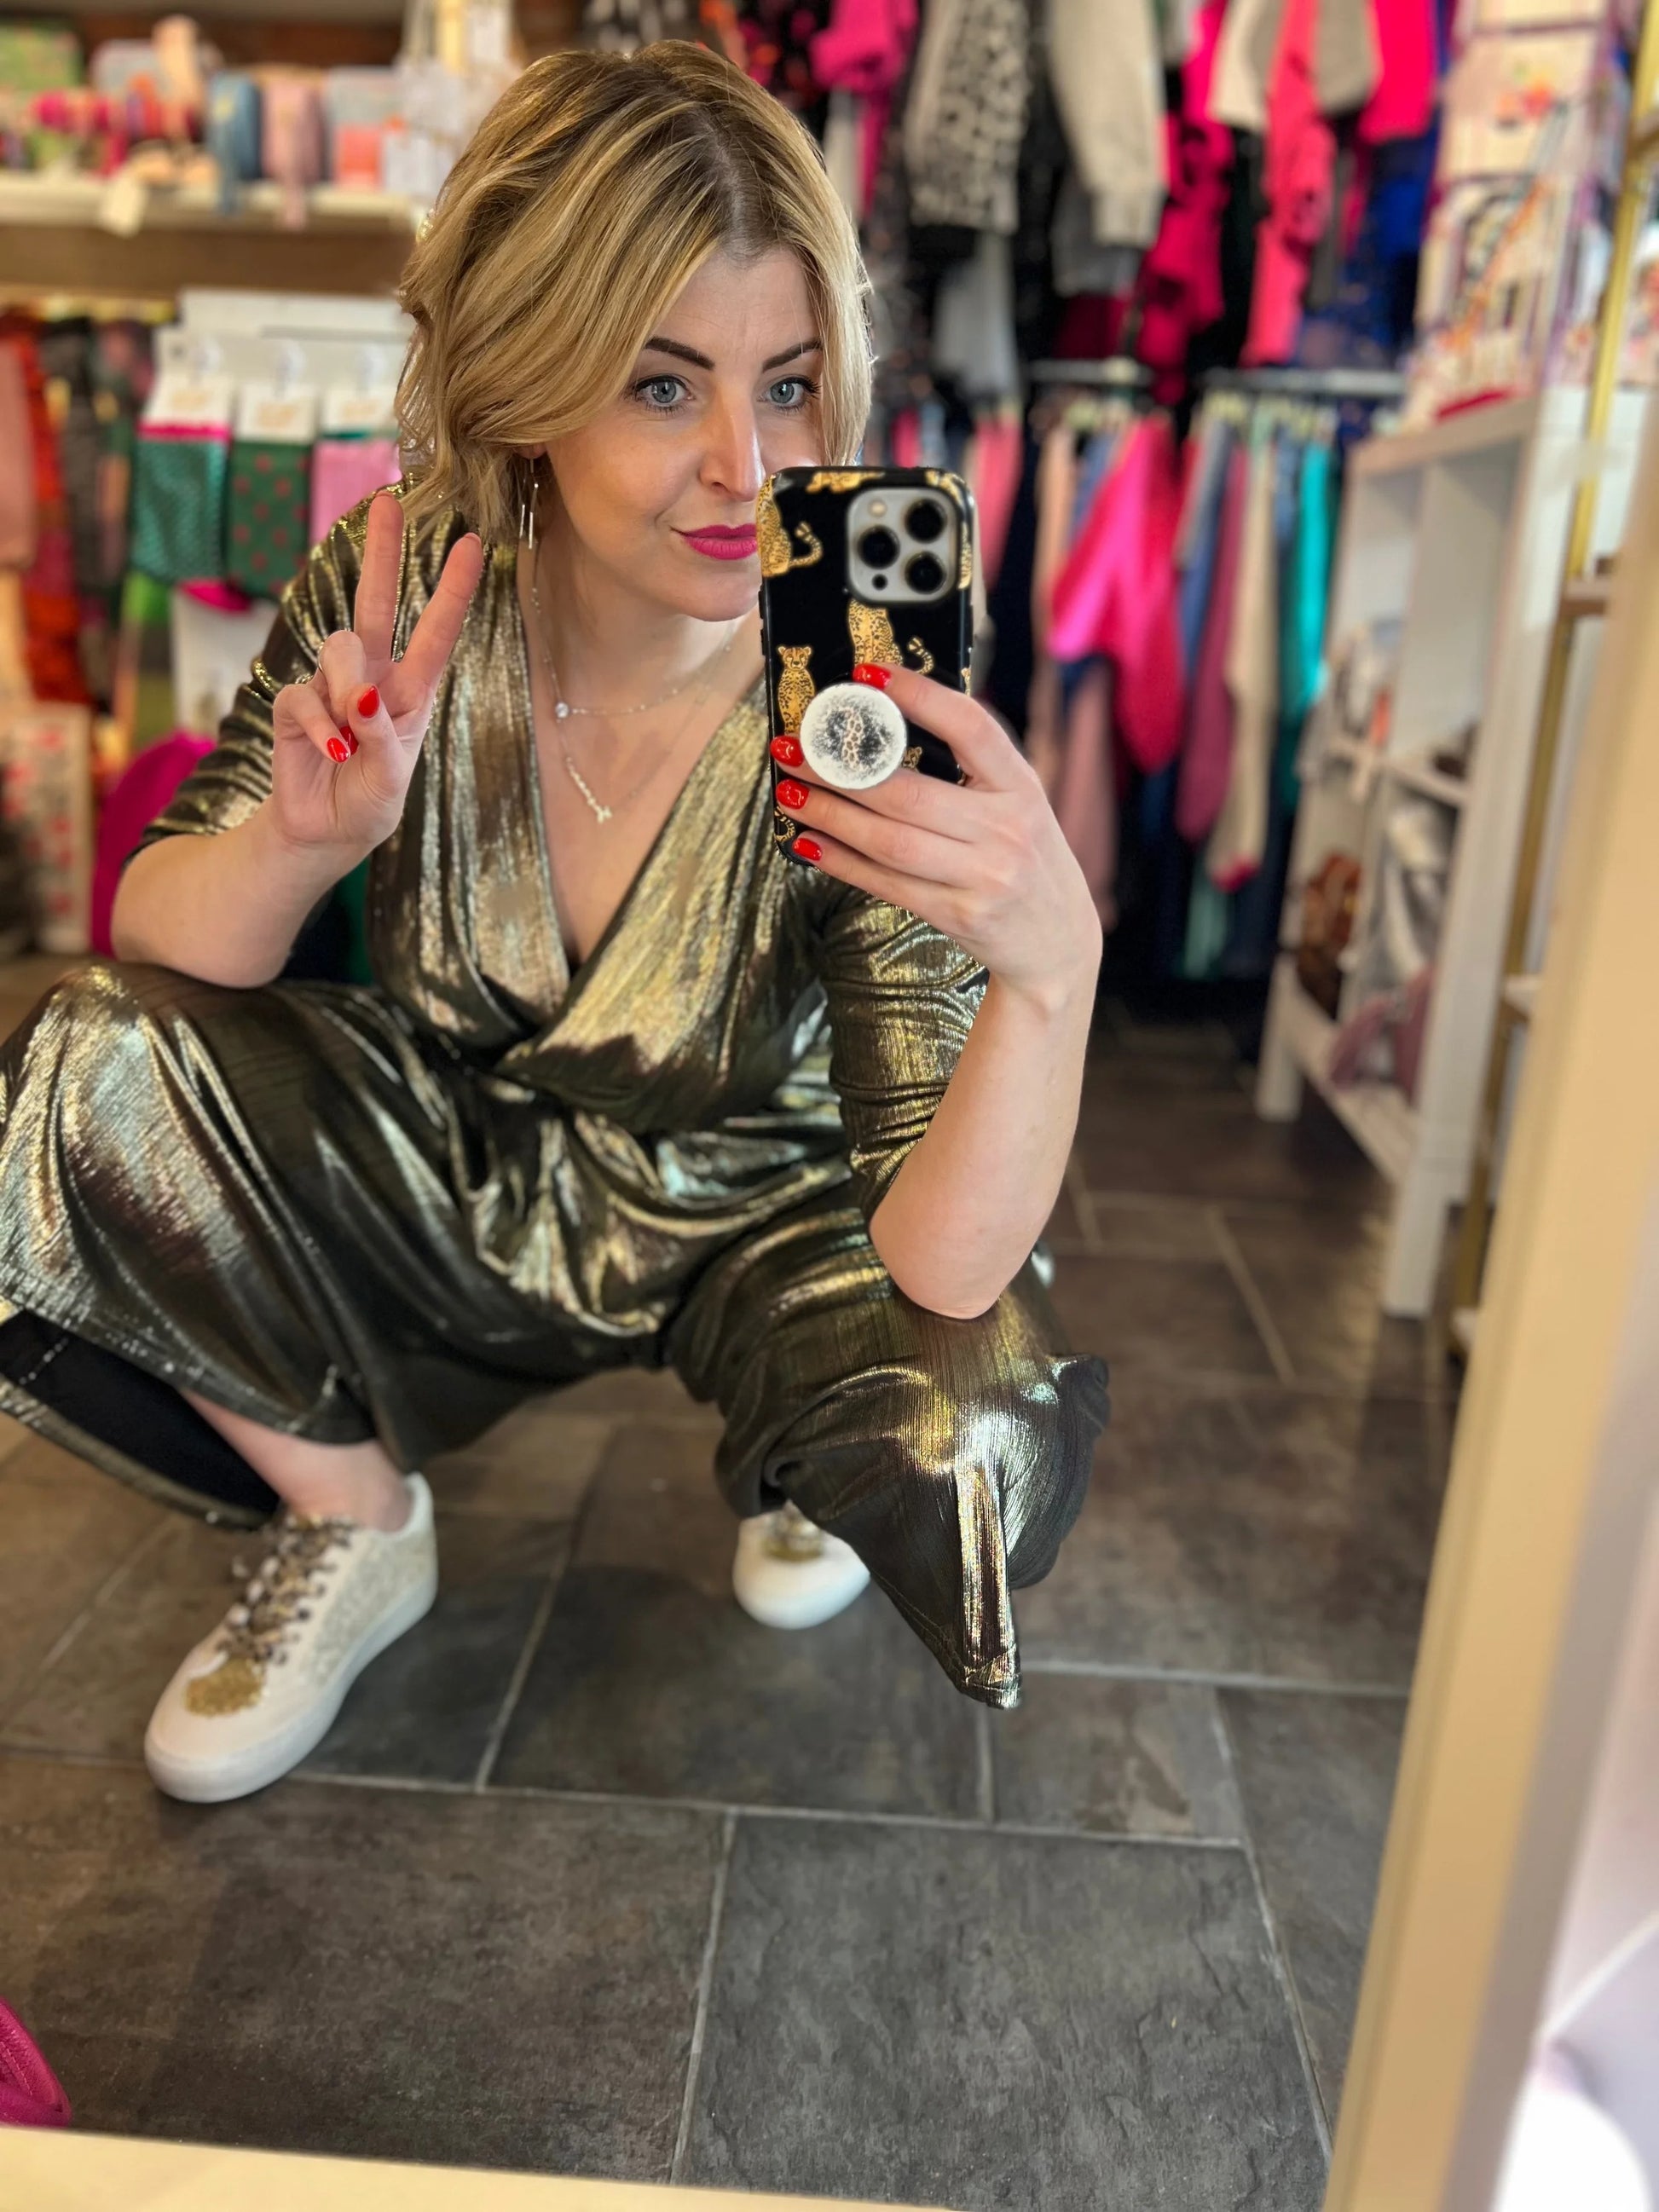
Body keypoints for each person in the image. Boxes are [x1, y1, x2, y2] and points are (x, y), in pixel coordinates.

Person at [0, 43, 1108, 1805]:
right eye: (663, 387)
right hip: (460, 1173)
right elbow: (161, 941)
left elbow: (949, 1265)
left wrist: (1052, 980)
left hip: (778, 1215)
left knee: (964, 1422)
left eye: (793, 385)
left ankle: (796, 1451)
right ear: (530, 381)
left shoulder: (855, 679)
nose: (747, 468)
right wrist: (307, 843)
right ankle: (355, 1516)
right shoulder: (409, 585)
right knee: (76, 1073)